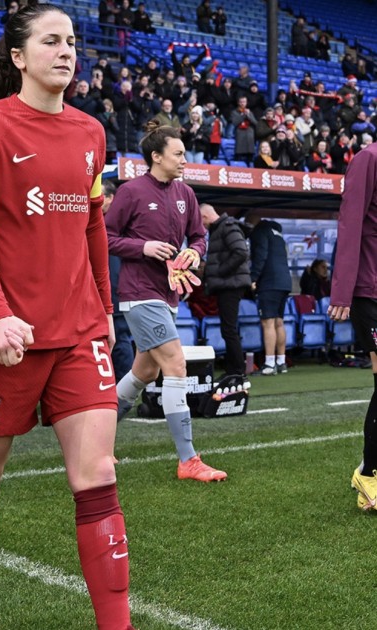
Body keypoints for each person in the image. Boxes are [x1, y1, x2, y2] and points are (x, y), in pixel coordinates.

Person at [0, 5, 134, 628]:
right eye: (51, 41)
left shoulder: (90, 132)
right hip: (7, 339)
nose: (66, 51)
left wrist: (105, 310)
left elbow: (91, 227)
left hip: (80, 330)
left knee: (99, 474)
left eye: (73, 42)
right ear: (19, 57)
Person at [107, 123, 226, 484]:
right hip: (140, 293)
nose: (183, 160)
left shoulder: (186, 194)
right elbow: (105, 237)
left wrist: (193, 251)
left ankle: (92, 438)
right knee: (175, 364)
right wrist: (141, 247)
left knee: (145, 373)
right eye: (178, 154)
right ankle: (188, 460)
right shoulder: (130, 192)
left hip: (169, 293)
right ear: (156, 157)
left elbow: (198, 237)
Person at [327, 141, 377, 510]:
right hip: (370, 291)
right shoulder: (368, 158)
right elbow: (351, 222)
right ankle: (369, 474)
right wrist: (342, 291)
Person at [199, 204, 251, 379]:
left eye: (201, 221)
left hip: (230, 285)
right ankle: (235, 369)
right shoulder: (224, 227)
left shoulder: (227, 227)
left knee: (228, 329)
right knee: (228, 329)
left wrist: (220, 271)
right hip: (229, 284)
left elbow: (241, 252)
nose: (202, 226)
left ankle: (236, 371)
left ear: (205, 217)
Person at [249, 218, 291, 375]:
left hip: (269, 282)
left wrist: (253, 278)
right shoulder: (278, 234)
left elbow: (261, 255)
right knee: (279, 323)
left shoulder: (260, 232)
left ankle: (269, 364)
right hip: (284, 282)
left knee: (268, 323)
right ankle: (281, 362)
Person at [103, 181, 133, 380]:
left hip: (116, 293)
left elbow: (113, 266)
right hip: (112, 292)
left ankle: (122, 386)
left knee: (120, 338)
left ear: (112, 197)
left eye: (103, 196)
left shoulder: (116, 224)